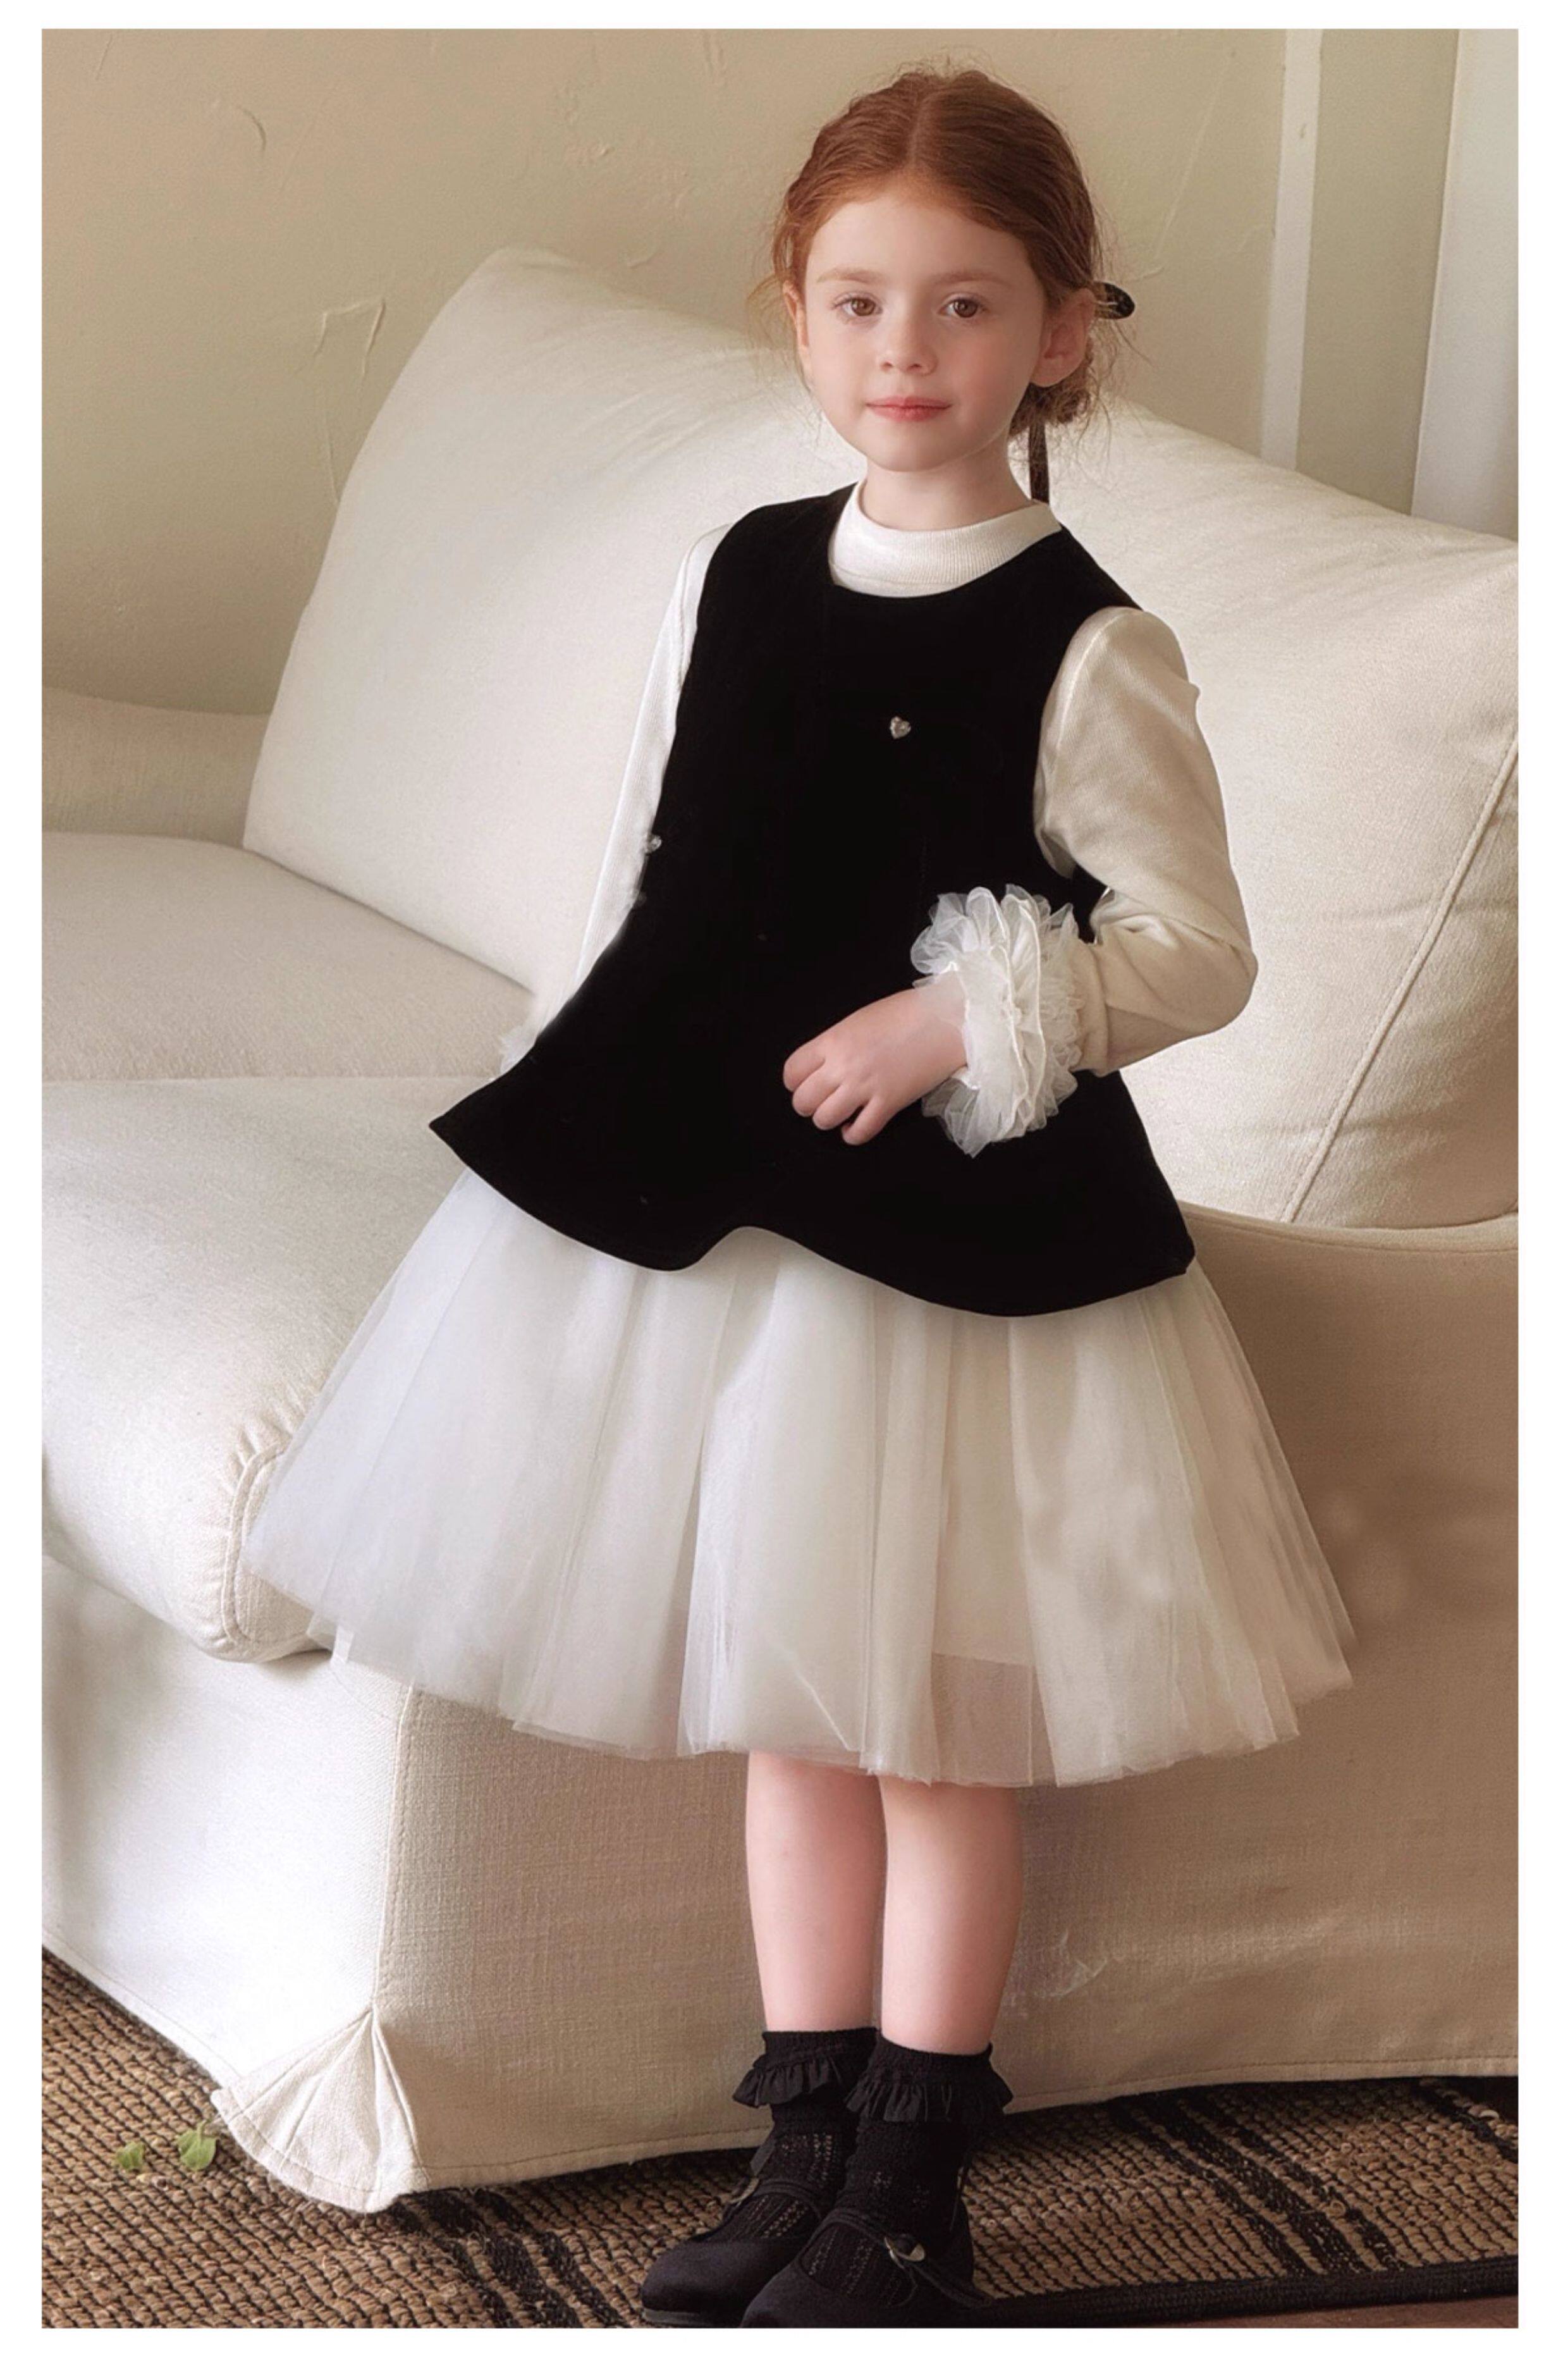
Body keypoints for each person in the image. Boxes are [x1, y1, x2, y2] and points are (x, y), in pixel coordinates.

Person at [242, 64, 1355, 2331]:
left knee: (930, 1733)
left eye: (965, 303)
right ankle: (804, 2145)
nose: (903, 350)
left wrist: (959, 1016)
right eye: (857, 301)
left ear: (1062, 331)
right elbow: (649, 864)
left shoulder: (1087, 640)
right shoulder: (739, 566)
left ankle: (914, 2191)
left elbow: (1201, 950)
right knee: (792, 1714)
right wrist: (579, 1084)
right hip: (719, 1220)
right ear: (795, 310)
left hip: (950, 1268)